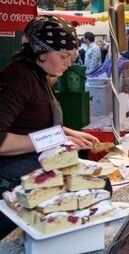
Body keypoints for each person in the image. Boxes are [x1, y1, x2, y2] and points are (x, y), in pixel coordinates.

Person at [0, 16, 100, 239]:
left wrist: (69, 133)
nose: (69, 63)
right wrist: (57, 140)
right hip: (14, 186)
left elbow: (35, 123)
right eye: (64, 56)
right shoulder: (16, 79)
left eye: (72, 57)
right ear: (41, 51)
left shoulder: (40, 75)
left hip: (38, 174)